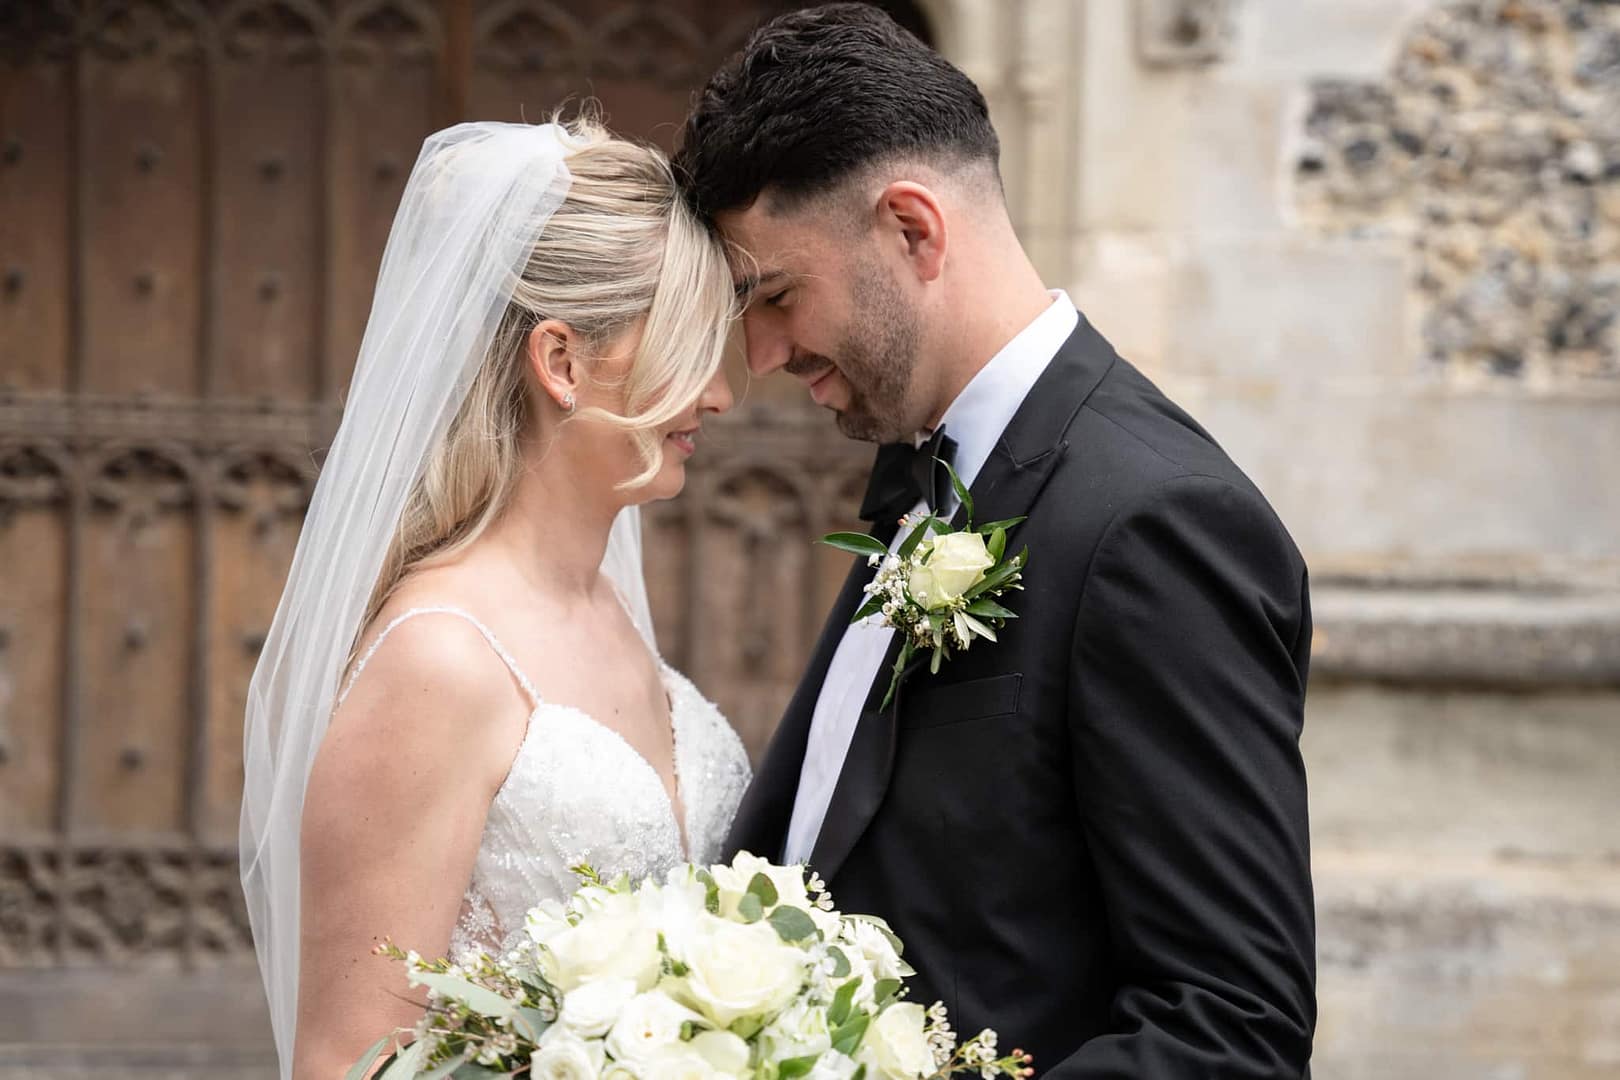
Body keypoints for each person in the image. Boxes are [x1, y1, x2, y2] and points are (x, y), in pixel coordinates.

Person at [675, 6, 1316, 1076]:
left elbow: (1230, 1029)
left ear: (914, 230)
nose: (764, 353)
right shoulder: (931, 480)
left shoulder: (1155, 525)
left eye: (776, 296)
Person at [239, 117, 751, 1079]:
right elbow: (347, 1060)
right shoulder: (439, 660)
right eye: (685, 348)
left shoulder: (611, 613)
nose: (718, 394)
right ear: (560, 362)